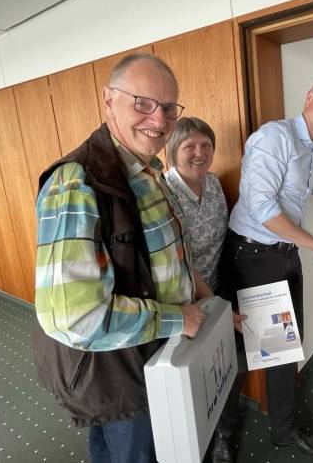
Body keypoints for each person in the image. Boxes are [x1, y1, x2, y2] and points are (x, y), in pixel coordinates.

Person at [32, 53, 214, 463]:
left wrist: (209, 303)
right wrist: (179, 318)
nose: (159, 120)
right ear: (108, 99)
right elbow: (75, 318)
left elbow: (171, 258)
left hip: (151, 357)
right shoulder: (75, 182)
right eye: (143, 103)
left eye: (169, 108)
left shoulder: (148, 170)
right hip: (114, 372)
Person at [211, 75, 313, 462]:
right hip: (253, 256)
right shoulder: (274, 138)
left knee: (284, 347)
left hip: (284, 254)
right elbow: (262, 208)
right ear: (308, 97)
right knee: (244, 350)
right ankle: (223, 433)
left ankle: (284, 432)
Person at [164, 117, 228, 291]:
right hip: (184, 296)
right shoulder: (164, 192)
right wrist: (211, 299)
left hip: (218, 287)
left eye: (206, 145)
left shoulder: (213, 183)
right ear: (173, 151)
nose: (200, 153)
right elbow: (176, 260)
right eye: (189, 146)